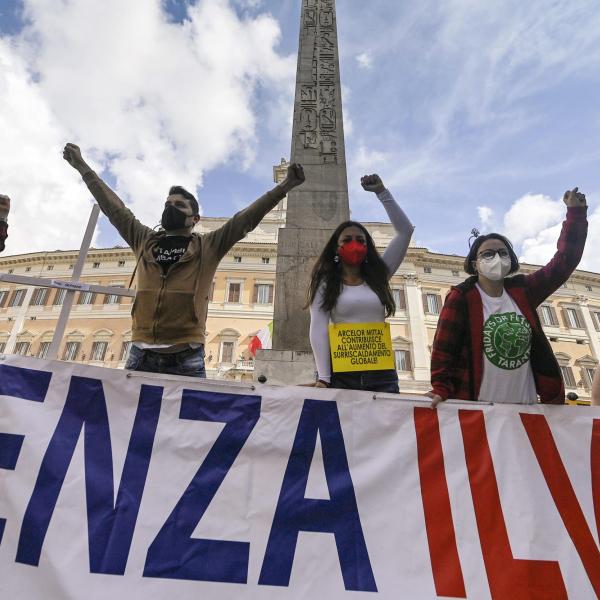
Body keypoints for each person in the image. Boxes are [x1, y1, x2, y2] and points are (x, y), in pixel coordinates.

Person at [63, 143, 305, 377]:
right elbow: (114, 208)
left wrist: (285, 187)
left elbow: (245, 219)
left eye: (179, 205)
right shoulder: (144, 239)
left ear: (195, 218)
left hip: (186, 358)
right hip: (140, 354)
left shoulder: (208, 246)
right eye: (168, 204)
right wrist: (84, 168)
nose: (171, 207)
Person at [428, 187, 588, 408]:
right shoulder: (461, 297)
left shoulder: (524, 291)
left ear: (511, 260)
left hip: (525, 408)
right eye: (488, 253)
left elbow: (564, 262)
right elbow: (444, 349)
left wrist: (575, 215)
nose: (496, 257)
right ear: (475, 264)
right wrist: (440, 387)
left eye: (503, 253)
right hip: (479, 409)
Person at [308, 174, 414, 393]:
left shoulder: (379, 275)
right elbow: (318, 327)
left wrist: (382, 192)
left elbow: (405, 231)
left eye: (361, 240)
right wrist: (324, 377)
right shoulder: (325, 283)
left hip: (381, 371)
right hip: (341, 371)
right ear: (336, 248)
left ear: (367, 248)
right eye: (347, 240)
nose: (354, 245)